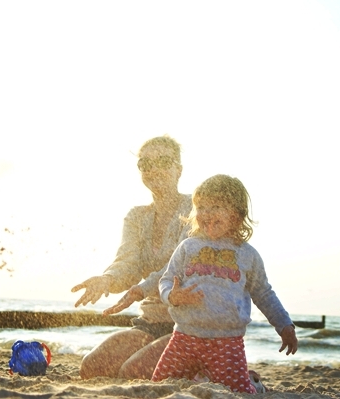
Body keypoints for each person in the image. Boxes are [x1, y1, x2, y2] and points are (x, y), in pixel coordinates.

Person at [150, 174, 298, 394]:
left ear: (236, 215)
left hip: (226, 342)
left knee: (237, 392)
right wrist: (171, 296)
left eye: (216, 206)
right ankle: (200, 376)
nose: (207, 213)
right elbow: (166, 280)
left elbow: (264, 293)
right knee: (159, 386)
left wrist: (284, 325)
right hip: (184, 337)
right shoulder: (187, 247)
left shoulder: (247, 255)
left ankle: (254, 384)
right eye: (201, 207)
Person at [71, 135, 192, 379]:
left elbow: (176, 269)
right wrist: (107, 279)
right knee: (92, 367)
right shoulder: (137, 217)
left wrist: (140, 289)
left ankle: (217, 368)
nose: (154, 169)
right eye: (145, 164)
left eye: (163, 161)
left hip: (190, 324)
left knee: (133, 372)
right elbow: (127, 264)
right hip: (151, 321)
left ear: (178, 170)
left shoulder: (196, 209)